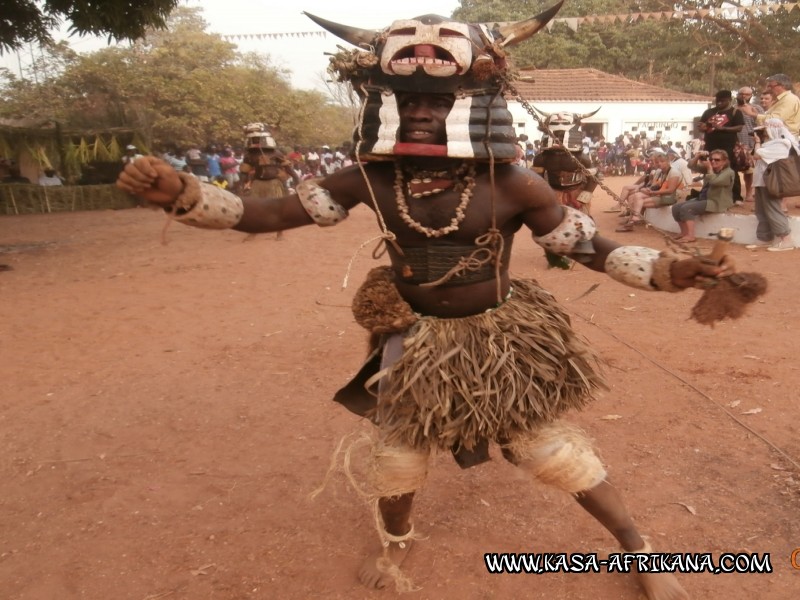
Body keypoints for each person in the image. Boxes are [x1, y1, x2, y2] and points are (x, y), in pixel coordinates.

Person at [118, 7, 733, 600]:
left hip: (498, 344)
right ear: (381, 104)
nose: (419, 113)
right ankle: (397, 538)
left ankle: (636, 545)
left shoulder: (514, 183)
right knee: (401, 453)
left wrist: (670, 270)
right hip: (415, 344)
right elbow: (271, 213)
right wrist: (186, 194)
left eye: (438, 101)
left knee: (549, 450)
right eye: (407, 100)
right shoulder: (369, 179)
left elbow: (590, 247)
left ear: (475, 106)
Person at [747, 118, 798, 251]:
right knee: (761, 211)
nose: (763, 133)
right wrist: (759, 143)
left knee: (773, 209)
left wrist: (758, 142)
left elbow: (757, 155)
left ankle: (786, 239)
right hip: (761, 182)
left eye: (765, 130)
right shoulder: (770, 143)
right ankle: (764, 238)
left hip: (771, 182)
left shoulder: (783, 144)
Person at [672, 149, 735, 243]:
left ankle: (691, 235)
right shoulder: (710, 168)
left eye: (717, 160)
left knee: (687, 208)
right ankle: (684, 232)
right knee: (676, 208)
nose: (713, 161)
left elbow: (715, 182)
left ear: (724, 161)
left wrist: (709, 168)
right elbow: (690, 165)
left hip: (716, 202)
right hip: (703, 198)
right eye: (711, 159)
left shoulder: (729, 172)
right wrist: (698, 156)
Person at [699, 90, 745, 201]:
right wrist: (702, 127)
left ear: (729, 100)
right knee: (709, 169)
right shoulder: (709, 112)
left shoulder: (735, 112)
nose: (719, 103)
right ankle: (708, 194)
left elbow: (739, 127)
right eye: (717, 101)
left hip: (728, 146)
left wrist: (723, 128)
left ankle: (736, 196)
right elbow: (701, 125)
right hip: (710, 146)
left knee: (731, 170)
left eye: (722, 101)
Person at [735, 87, 763, 202]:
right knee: (739, 169)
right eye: (742, 94)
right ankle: (739, 193)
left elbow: (762, 123)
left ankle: (750, 193)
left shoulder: (756, 108)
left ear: (751, 95)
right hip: (737, 143)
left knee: (752, 170)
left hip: (752, 143)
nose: (744, 96)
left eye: (747, 94)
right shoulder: (734, 109)